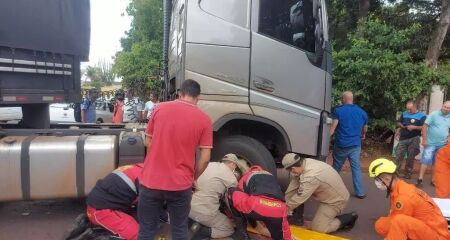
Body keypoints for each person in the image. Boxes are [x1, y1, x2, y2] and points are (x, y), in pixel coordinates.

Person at [138, 80, 213, 240]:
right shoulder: (204, 119)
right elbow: (205, 158)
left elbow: (148, 141)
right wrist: (193, 178)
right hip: (181, 184)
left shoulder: (160, 108)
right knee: (179, 230)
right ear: (198, 97)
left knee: (146, 231)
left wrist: (157, 160)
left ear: (180, 93)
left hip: (151, 180)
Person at [368, 158, 450, 240]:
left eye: (377, 180)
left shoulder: (403, 197)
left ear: (387, 179)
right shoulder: (399, 187)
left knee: (399, 222)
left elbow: (400, 223)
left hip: (436, 236)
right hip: (426, 227)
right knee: (380, 225)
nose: (376, 183)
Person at [282, 153, 357, 233]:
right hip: (329, 194)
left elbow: (300, 197)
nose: (292, 173)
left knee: (318, 228)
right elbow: (292, 188)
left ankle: (348, 218)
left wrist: (283, 211)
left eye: (290, 171)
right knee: (292, 197)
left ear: (293, 168)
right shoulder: (305, 162)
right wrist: (283, 203)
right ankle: (298, 218)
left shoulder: (311, 177)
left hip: (336, 200)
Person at [65, 164, 144, 240]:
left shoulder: (142, 168)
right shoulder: (147, 178)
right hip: (102, 211)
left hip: (111, 204)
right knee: (140, 236)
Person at [189, 153, 249, 239]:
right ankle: (201, 232)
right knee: (228, 228)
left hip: (188, 206)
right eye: (235, 167)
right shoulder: (229, 174)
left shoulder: (209, 165)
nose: (234, 169)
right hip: (202, 212)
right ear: (233, 164)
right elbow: (236, 197)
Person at [227, 165, 292, 240]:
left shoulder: (247, 175)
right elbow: (285, 228)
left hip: (256, 206)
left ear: (250, 170)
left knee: (233, 192)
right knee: (280, 234)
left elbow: (240, 192)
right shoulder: (271, 176)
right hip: (278, 209)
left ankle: (242, 233)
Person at [330, 91, 368, 199]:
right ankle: (360, 193)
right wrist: (363, 134)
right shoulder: (362, 112)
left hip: (341, 144)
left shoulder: (338, 111)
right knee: (356, 168)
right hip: (355, 145)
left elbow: (333, 128)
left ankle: (329, 188)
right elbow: (365, 127)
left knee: (336, 168)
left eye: (341, 99)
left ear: (343, 99)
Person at [417, 100, 450, 186]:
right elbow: (425, 126)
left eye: (448, 108)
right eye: (445, 107)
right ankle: (420, 179)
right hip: (430, 143)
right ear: (442, 106)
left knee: (437, 163)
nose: (446, 109)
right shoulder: (434, 114)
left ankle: (433, 180)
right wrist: (424, 139)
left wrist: (449, 138)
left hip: (442, 145)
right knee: (425, 161)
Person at [395, 101, 426, 179]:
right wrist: (401, 126)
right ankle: (395, 171)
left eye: (410, 109)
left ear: (415, 107)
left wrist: (414, 127)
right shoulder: (404, 113)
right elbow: (398, 122)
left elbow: (424, 127)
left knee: (410, 157)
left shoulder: (421, 115)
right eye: (407, 109)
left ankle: (408, 173)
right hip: (403, 138)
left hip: (414, 138)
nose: (408, 111)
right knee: (399, 155)